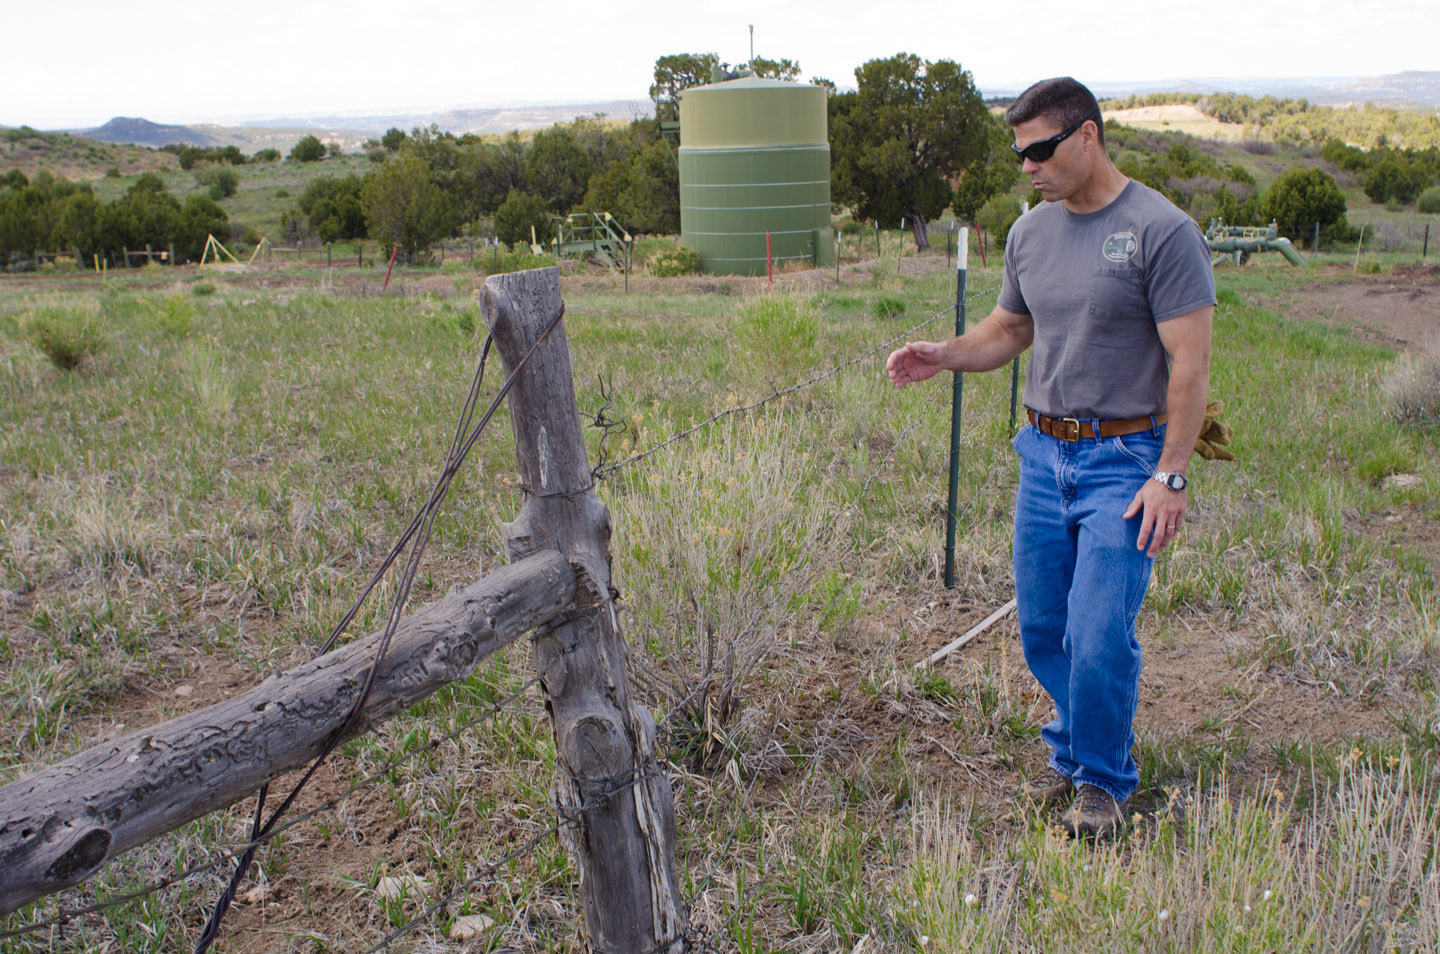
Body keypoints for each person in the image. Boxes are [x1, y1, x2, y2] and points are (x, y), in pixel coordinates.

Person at [886, 77, 1215, 838]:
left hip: (1126, 459)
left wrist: (1171, 474)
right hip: (1043, 456)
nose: (1028, 166)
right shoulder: (1030, 232)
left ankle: (1102, 780)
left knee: (1099, 631)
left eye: (1041, 148)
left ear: (1088, 136)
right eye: (1020, 153)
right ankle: (1073, 749)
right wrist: (946, 353)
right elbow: (1008, 330)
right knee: (1043, 628)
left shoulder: (1163, 231)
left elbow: (1190, 367)